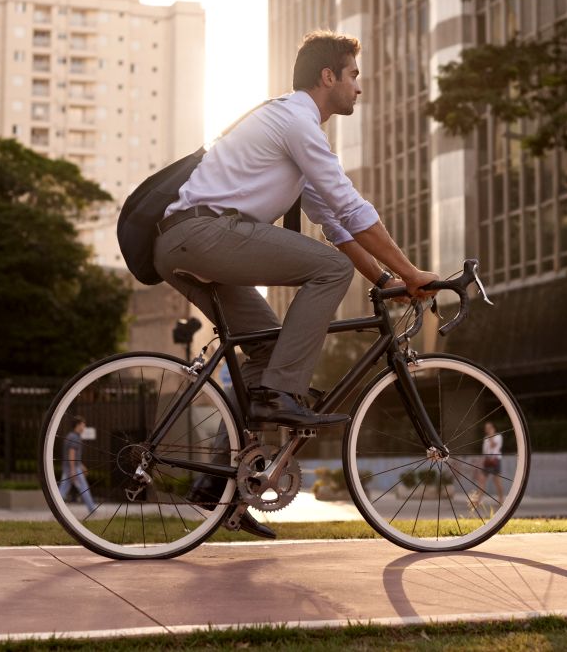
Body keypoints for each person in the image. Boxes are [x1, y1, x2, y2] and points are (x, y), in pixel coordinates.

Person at [153, 30, 437, 537]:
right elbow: (351, 206)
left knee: (266, 354)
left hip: (187, 243)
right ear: (327, 77)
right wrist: (414, 273)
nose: (359, 87)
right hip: (202, 233)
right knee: (329, 271)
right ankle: (281, 395)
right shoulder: (296, 120)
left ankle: (221, 494)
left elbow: (336, 222)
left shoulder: (292, 130)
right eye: (353, 75)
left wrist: (390, 283)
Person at [58, 415, 97, 514]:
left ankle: (57, 507)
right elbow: (71, 454)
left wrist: (81, 466)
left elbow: (74, 456)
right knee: (83, 487)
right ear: (78, 425)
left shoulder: (72, 436)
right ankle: (92, 508)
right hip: (72, 468)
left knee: (64, 489)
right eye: (83, 425)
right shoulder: (74, 437)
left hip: (72, 467)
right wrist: (73, 470)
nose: (84, 427)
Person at [476, 420, 505, 505]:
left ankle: (501, 499)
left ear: (493, 428)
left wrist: (491, 435)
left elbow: (493, 445)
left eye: (489, 428)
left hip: (496, 460)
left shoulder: (498, 436)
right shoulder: (485, 439)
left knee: (497, 481)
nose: (487, 429)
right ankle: (478, 500)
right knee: (482, 480)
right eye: (486, 428)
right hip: (487, 461)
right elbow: (484, 452)